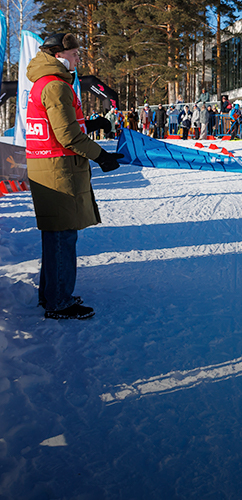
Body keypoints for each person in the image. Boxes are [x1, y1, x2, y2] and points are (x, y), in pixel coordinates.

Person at [25, 33, 123, 319]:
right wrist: (101, 156)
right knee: (62, 237)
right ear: (60, 55)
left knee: (56, 236)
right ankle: (59, 301)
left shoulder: (47, 82)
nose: (79, 58)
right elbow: (66, 135)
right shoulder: (55, 86)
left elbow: (63, 125)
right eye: (75, 54)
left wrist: (91, 123)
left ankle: (52, 295)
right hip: (57, 169)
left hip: (51, 166)